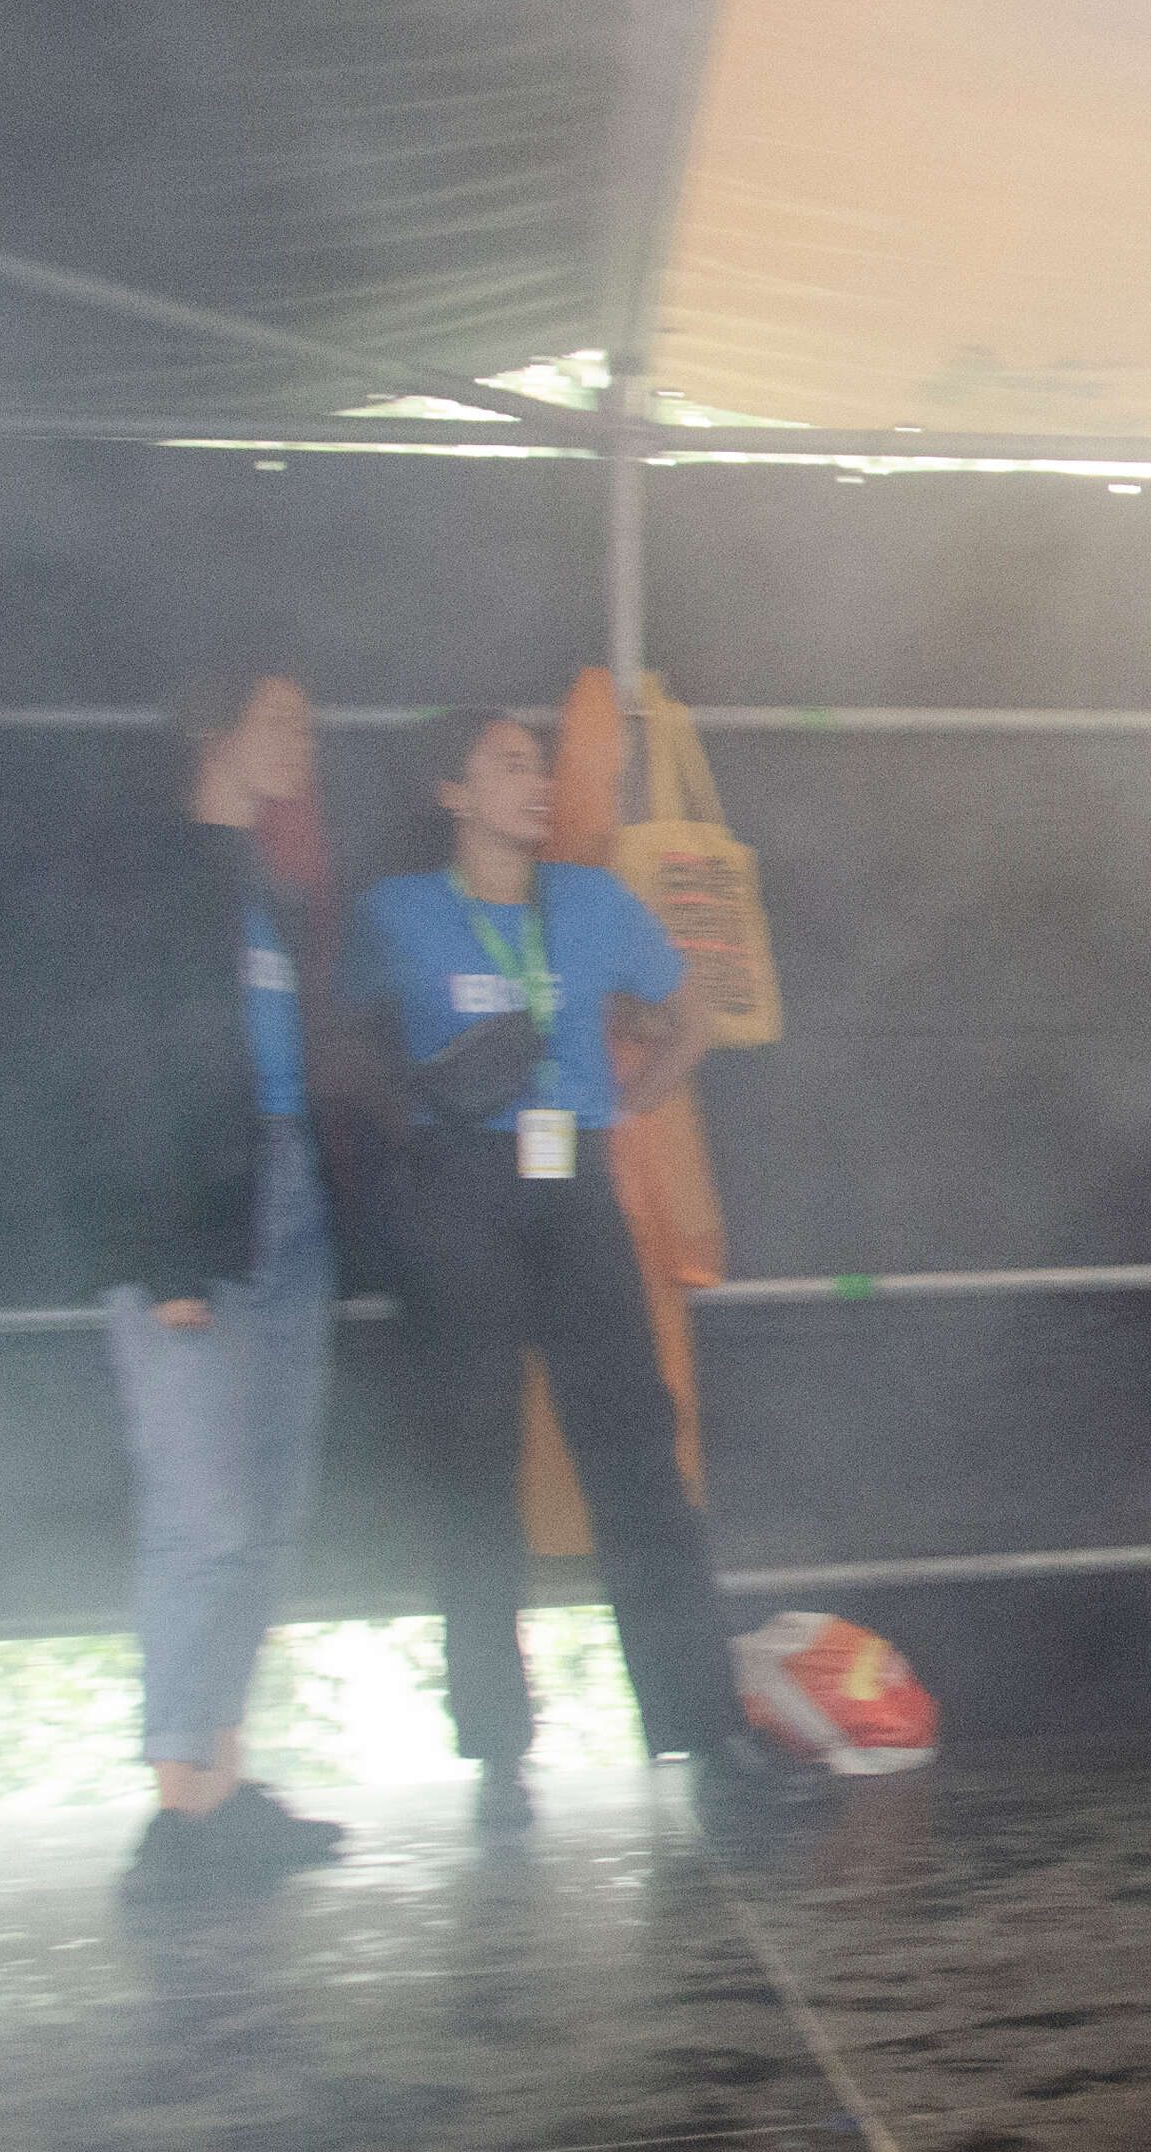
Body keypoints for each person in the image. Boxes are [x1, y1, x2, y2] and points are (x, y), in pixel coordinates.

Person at [352, 710, 809, 1819]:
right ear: (451, 793)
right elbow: (345, 1047)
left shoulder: (593, 901)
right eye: (508, 764)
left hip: (574, 1190)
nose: (538, 781)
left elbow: (691, 1018)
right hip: (456, 1192)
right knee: (473, 1463)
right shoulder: (398, 911)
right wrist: (400, 1133)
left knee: (638, 1454)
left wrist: (625, 1104)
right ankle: (497, 1753)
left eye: (541, 763)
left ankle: (708, 1733)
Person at [82, 669, 355, 1891]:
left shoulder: (265, 882)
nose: (301, 742)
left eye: (308, 723)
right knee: (205, 1515)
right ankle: (176, 1813)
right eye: (279, 721)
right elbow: (115, 1067)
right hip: (192, 1220)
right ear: (214, 730)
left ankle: (222, 1782)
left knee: (271, 1507)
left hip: (286, 1202)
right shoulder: (147, 870)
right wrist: (161, 1253)